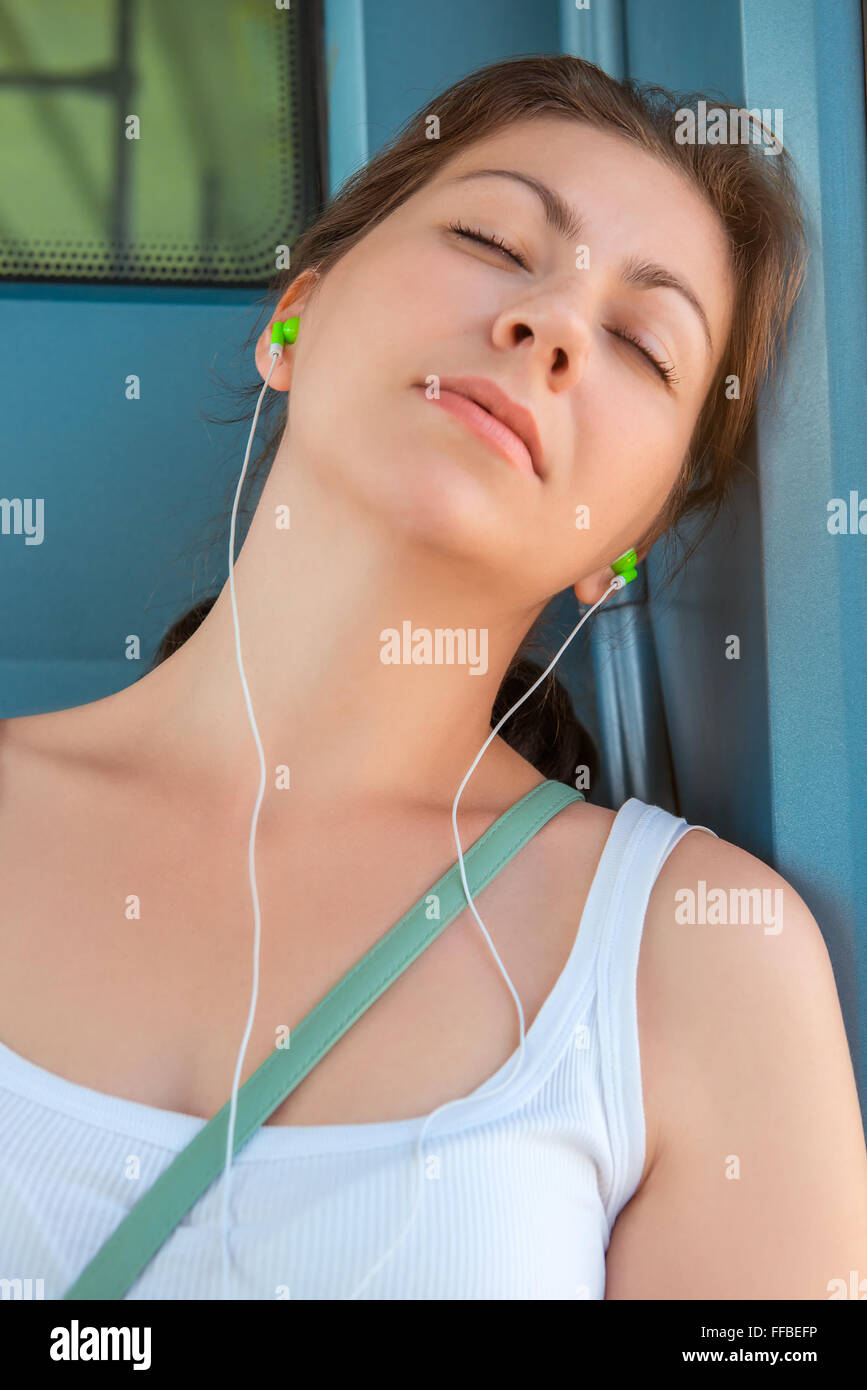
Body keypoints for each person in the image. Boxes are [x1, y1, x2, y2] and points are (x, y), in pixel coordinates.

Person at [1, 54, 865, 1301]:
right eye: (492, 238)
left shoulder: (701, 959)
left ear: (628, 545)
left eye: (638, 340)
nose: (550, 326)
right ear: (295, 315)